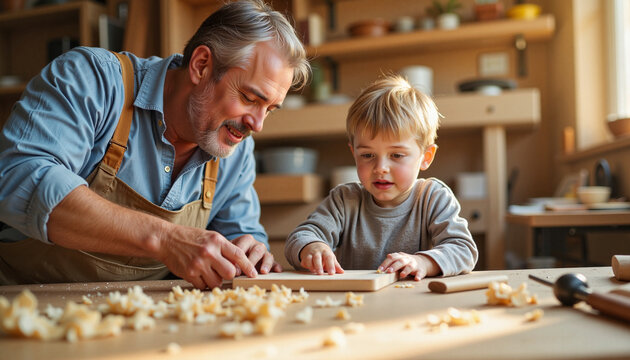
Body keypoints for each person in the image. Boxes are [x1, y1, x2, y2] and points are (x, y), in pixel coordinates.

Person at [0, 0, 310, 288]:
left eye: (269, 109)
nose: (257, 124)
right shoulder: (93, 80)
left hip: (144, 325)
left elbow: (239, 234)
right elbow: (21, 177)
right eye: (249, 98)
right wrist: (165, 239)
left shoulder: (234, 147)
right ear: (201, 65)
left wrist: (249, 252)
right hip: (24, 311)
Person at [285, 75, 477, 280]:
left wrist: (423, 262)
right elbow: (299, 237)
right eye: (367, 155)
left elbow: (463, 250)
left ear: (425, 157)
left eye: (396, 155)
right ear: (354, 153)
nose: (380, 168)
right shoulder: (344, 200)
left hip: (414, 303)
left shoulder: (433, 197)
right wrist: (313, 247)